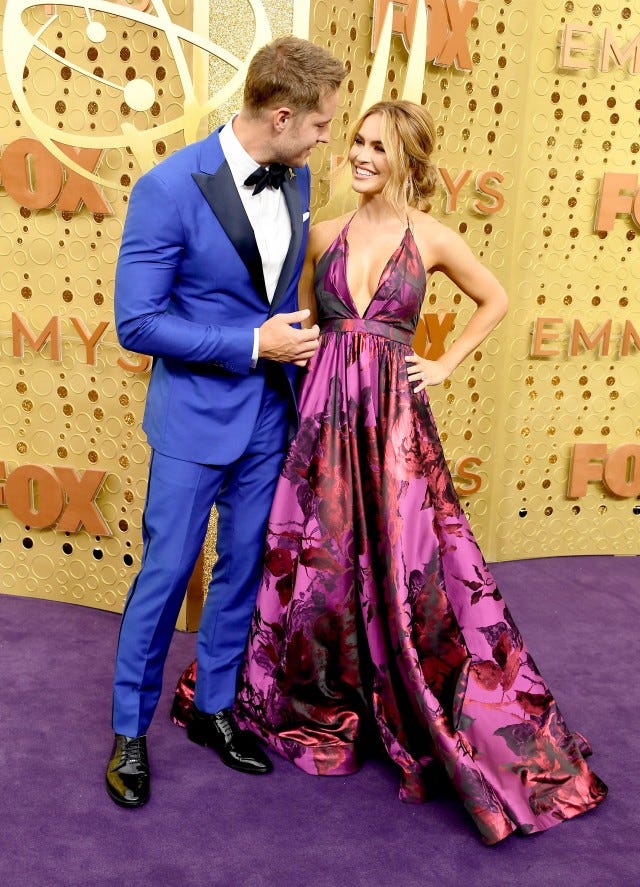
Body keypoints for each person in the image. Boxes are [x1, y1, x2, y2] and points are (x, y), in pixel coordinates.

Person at [172, 100, 607, 843]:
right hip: (323, 420)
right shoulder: (322, 234)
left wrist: (445, 360)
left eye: (378, 146)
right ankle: (322, 690)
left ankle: (418, 692)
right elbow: (301, 326)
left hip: (395, 425)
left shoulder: (432, 237)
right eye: (358, 141)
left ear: (407, 158)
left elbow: (495, 298)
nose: (361, 155)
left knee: (414, 565)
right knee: (322, 563)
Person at [105, 36, 346, 808]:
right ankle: (129, 732)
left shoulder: (300, 178)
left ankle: (213, 709)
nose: (325, 137)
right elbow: (136, 323)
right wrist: (252, 343)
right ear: (280, 115)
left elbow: (276, 289)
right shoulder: (166, 188)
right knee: (166, 576)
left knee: (243, 570)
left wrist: (301, 346)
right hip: (192, 424)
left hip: (268, 421)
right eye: (319, 124)